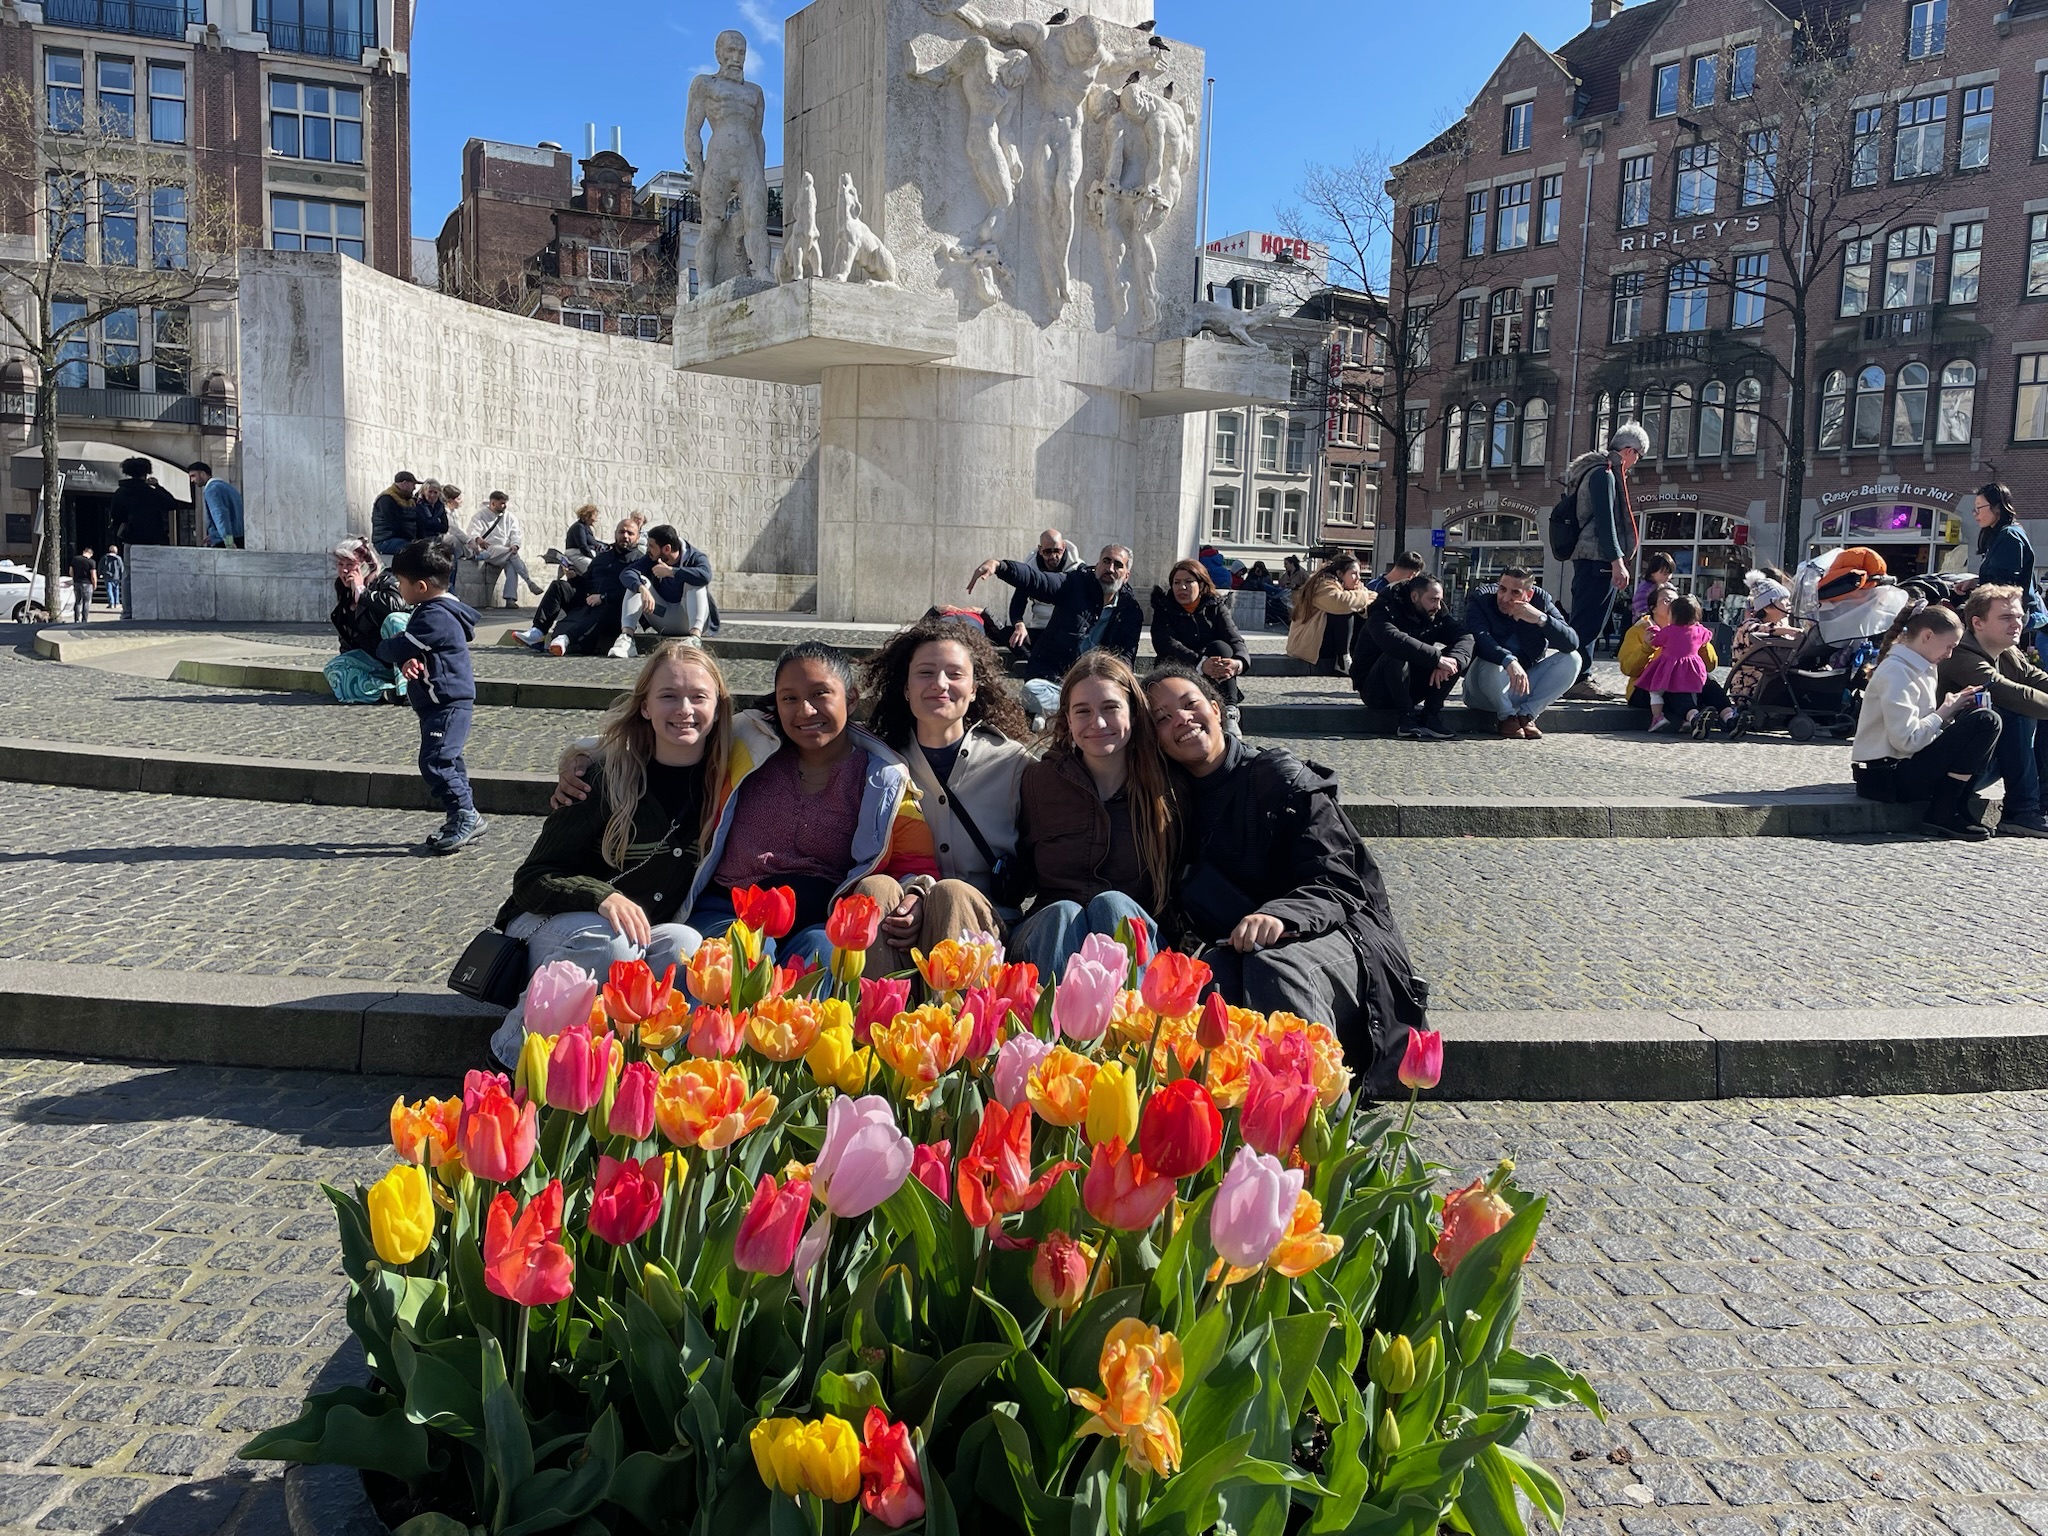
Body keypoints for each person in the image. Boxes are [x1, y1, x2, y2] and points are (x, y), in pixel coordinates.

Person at [1142, 665, 1430, 1093]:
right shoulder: (1167, 806)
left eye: (1190, 704)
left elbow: (1339, 881)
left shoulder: (1280, 778)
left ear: (1217, 710)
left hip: (1341, 934)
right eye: (1162, 718)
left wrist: (1279, 916)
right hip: (1239, 946)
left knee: (1273, 966)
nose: (1180, 719)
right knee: (1209, 980)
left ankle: (1313, 1120)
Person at [488, 643, 729, 1065]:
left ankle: (640, 1066)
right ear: (645, 708)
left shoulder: (725, 784)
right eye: (668, 695)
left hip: (635, 939)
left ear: (719, 707)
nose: (684, 709)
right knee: (611, 942)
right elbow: (531, 880)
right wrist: (601, 896)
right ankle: (510, 1057)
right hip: (554, 929)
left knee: (687, 944)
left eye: (698, 697)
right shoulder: (600, 778)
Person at [685, 642, 938, 964]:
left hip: (822, 920)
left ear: (851, 697)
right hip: (727, 910)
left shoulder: (884, 780)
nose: (805, 710)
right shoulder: (744, 748)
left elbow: (913, 862)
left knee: (825, 953)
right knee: (747, 952)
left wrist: (916, 895)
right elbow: (661, 750)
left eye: (820, 694)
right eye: (789, 698)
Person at [851, 617, 1033, 969]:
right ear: (905, 687)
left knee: (953, 894)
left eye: (954, 673)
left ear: (975, 688)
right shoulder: (876, 763)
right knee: (874, 891)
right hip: (899, 918)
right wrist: (914, 897)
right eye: (925, 672)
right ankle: (877, 1018)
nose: (939, 684)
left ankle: (958, 1021)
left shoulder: (1014, 765)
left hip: (984, 926)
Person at [1012, 650, 1177, 975]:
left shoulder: (1167, 788)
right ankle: (1054, 1024)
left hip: (1131, 933)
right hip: (1048, 935)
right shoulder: (1038, 781)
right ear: (1068, 720)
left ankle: (1130, 1023)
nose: (1097, 723)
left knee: (1113, 905)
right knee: (1062, 914)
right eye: (1082, 711)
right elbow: (1016, 872)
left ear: (1133, 711)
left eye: (1111, 708)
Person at [1852, 605, 2000, 841]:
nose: (1950, 654)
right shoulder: (1897, 671)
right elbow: (1906, 741)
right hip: (1885, 777)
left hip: (1900, 768)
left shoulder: (1922, 667)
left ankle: (1955, 805)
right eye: (1949, 646)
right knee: (1986, 721)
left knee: (1984, 717)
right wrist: (1943, 713)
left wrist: (1953, 711)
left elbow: (1922, 732)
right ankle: (1944, 809)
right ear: (1927, 636)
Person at [376, 539, 485, 853]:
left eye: (401, 582)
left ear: (421, 586)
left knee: (435, 761)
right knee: (448, 760)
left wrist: (391, 649)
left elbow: (398, 645)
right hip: (442, 703)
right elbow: (422, 650)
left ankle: (466, 814)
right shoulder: (435, 609)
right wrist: (412, 659)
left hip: (447, 704)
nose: (398, 587)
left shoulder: (434, 614)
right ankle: (462, 815)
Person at [968, 543, 1143, 725]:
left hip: (1095, 680)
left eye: (1118, 565)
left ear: (1126, 576)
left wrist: (1115, 684)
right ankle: (1075, 712)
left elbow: (1126, 656)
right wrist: (1000, 566)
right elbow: (1038, 580)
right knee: (1031, 690)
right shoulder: (1075, 583)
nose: (1110, 569)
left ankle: (1059, 715)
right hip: (1053, 675)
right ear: (1097, 565)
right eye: (1106, 562)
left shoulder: (1130, 611)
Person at [1940, 585, 2048, 839]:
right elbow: (2010, 693)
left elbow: (2038, 679)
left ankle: (2042, 803)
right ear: (1977, 623)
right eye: (2006, 618)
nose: (2017, 624)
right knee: (2018, 712)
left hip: (1982, 763)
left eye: (2020, 617)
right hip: (1946, 770)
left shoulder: (2008, 651)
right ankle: (2021, 811)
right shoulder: (1959, 654)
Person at [1559, 421, 1647, 700]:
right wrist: (1617, 561)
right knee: (1590, 621)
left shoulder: (1593, 471)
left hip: (1589, 556)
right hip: (1596, 557)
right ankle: (1578, 678)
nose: (1635, 464)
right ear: (1630, 451)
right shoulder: (1604, 475)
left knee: (1585, 617)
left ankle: (1574, 675)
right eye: (1638, 457)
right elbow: (1605, 523)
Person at [1462, 566, 1582, 739]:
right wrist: (1508, 660)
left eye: (1515, 593)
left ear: (1529, 595)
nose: (1505, 598)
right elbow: (1479, 637)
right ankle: (1507, 717)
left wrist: (1541, 619)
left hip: (1519, 687)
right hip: (1480, 689)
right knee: (1490, 659)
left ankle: (1526, 715)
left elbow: (1571, 642)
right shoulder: (1481, 599)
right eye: (1502, 589)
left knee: (1572, 658)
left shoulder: (1541, 601)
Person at [1352, 573, 1473, 740]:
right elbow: (1391, 639)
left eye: (1439, 600)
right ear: (1415, 596)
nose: (1438, 606)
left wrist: (1453, 661)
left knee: (1455, 657)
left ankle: (1430, 716)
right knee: (1395, 653)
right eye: (1433, 600)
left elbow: (1465, 637)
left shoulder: (1435, 614)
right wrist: (1436, 658)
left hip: (1411, 686)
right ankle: (1406, 718)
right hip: (1375, 689)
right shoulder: (1383, 610)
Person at [520, 515, 648, 655]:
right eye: (622, 532)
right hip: (589, 601)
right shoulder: (602, 558)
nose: (625, 536)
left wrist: (604, 597)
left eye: (630, 533)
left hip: (614, 610)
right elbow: (586, 583)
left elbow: (634, 592)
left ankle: (566, 638)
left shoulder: (639, 561)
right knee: (559, 586)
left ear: (637, 537)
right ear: (615, 533)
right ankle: (538, 631)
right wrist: (574, 578)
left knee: (603, 607)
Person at [1150, 559, 1250, 735]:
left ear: (1201, 584)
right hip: (1177, 669)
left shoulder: (1215, 606)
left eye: (1188, 582)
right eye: (1177, 583)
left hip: (1214, 673)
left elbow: (1235, 639)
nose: (1182, 587)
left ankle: (1230, 711)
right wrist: (1200, 663)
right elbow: (1165, 643)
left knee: (1222, 648)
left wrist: (1238, 663)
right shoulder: (1164, 608)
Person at [1621, 585, 1732, 725]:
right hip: (1645, 687)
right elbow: (1628, 668)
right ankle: (1693, 718)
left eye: (1675, 600)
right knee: (1672, 681)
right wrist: (1647, 648)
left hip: (1682, 680)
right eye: (1666, 600)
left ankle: (1729, 716)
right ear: (1653, 607)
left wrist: (1700, 643)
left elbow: (1710, 665)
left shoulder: (1690, 631)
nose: (1672, 604)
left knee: (1708, 681)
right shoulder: (1639, 630)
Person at [324, 539, 409, 705]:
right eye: (340, 564)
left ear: (365, 564)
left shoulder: (386, 579)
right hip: (375, 657)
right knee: (335, 668)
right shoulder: (343, 589)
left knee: (395, 620)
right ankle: (384, 691)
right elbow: (348, 632)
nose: (345, 570)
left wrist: (362, 593)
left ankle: (407, 689)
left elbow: (397, 605)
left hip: (404, 658)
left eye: (350, 564)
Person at [612, 524, 718, 656]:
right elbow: (627, 573)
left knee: (696, 581)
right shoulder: (652, 558)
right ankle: (626, 639)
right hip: (663, 618)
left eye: (651, 546)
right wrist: (642, 589)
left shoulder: (695, 557)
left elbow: (706, 575)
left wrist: (673, 572)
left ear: (666, 549)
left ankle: (695, 640)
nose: (647, 549)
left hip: (689, 619)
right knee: (638, 581)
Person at [1635, 592, 1713, 732]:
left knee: (1655, 691)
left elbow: (1657, 640)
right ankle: (1689, 719)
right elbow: (1708, 635)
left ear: (1673, 615)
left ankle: (1658, 717)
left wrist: (1652, 627)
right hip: (1694, 668)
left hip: (1668, 668)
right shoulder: (1698, 631)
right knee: (1691, 693)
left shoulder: (1669, 631)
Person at [1285, 554, 1376, 674]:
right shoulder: (1323, 585)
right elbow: (1340, 602)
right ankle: (1343, 661)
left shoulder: (1350, 587)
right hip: (1307, 643)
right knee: (1345, 609)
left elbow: (1375, 597)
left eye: (1359, 574)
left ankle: (1358, 655)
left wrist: (1361, 600)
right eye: (1353, 573)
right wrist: (1363, 596)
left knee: (1361, 609)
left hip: (1321, 640)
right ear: (1339, 574)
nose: (1358, 578)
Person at [465, 492, 544, 608]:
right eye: (502, 504)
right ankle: (528, 581)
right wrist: (478, 539)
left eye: (505, 503)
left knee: (511, 562)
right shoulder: (480, 515)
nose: (504, 506)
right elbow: (472, 532)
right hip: (487, 551)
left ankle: (510, 599)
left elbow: (515, 534)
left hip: (504, 552)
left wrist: (515, 545)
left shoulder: (509, 517)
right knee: (511, 555)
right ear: (493, 503)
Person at [111, 458, 175, 548]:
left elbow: (115, 514)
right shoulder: (151, 493)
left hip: (129, 538)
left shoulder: (121, 492)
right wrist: (157, 486)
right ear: (145, 474)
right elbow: (171, 503)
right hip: (152, 538)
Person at [186, 462, 244, 549]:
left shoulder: (212, 490)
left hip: (227, 542)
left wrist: (229, 542)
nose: (192, 480)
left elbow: (221, 516)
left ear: (202, 473)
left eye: (193, 476)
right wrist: (215, 535)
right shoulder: (227, 487)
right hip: (239, 536)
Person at [547, 503, 604, 577]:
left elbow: (594, 542)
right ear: (587, 516)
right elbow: (583, 546)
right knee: (595, 571)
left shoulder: (586, 528)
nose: (596, 520)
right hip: (577, 556)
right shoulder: (578, 527)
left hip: (585, 556)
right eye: (594, 516)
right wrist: (595, 560)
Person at [371, 471, 421, 555]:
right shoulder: (386, 499)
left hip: (404, 539)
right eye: (413, 484)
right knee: (414, 551)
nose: (414, 488)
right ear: (404, 483)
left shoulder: (409, 500)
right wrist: (413, 540)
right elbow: (395, 525)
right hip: (386, 540)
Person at [1632, 552, 1676, 620]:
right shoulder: (1645, 589)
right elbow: (1640, 609)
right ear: (1652, 572)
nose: (1668, 577)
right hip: (1645, 624)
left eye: (1670, 574)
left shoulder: (1669, 587)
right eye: (1664, 574)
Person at [414, 479, 452, 547]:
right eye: (430, 492)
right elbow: (421, 527)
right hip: (422, 541)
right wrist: (437, 522)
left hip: (437, 539)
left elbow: (445, 528)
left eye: (435, 492)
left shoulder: (440, 506)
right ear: (423, 492)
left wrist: (430, 523)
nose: (432, 495)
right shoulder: (418, 505)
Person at [68, 547, 95, 623]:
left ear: (84, 551)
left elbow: (71, 571)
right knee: (86, 602)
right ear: (91, 554)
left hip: (77, 582)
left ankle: (76, 619)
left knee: (77, 601)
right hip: (87, 583)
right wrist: (94, 584)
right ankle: (84, 619)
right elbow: (93, 575)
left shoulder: (75, 559)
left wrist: (74, 578)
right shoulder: (91, 562)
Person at [102, 544, 124, 612]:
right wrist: (121, 576)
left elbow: (101, 566)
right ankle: (116, 603)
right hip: (116, 576)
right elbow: (121, 568)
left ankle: (111, 603)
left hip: (107, 576)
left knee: (109, 590)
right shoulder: (118, 558)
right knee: (116, 590)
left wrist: (101, 573)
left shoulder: (105, 557)